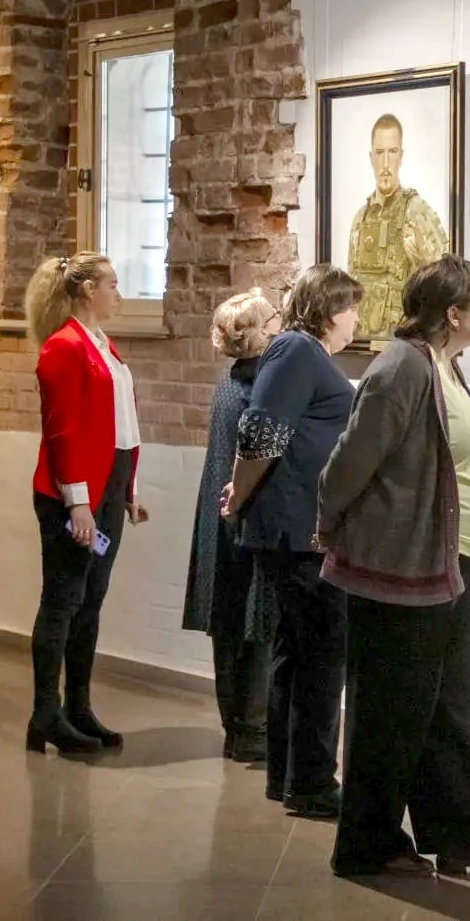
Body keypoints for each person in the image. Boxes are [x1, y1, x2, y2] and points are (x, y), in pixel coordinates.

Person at [318, 254, 470, 878]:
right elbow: (350, 461)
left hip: (449, 563)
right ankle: (366, 844)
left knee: (447, 705)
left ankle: (464, 834)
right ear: (453, 313)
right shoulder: (403, 367)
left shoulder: (443, 364)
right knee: (390, 710)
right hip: (404, 568)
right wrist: (327, 525)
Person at [220, 264, 360, 818]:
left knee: (299, 652)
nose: (356, 320)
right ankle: (311, 782)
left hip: (302, 527)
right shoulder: (296, 350)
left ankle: (290, 776)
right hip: (298, 531)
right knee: (320, 656)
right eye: (351, 308)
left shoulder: (303, 353)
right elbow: (261, 432)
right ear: (329, 310)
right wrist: (238, 494)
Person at [24, 251, 149, 756]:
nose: (119, 294)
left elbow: (121, 425)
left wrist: (128, 491)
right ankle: (44, 711)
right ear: (86, 291)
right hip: (72, 494)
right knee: (63, 601)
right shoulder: (63, 346)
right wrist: (78, 503)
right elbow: (62, 431)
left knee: (90, 602)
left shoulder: (103, 344)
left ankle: (78, 706)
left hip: (107, 489)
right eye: (112, 284)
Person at [182, 288, 281, 763]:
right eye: (272, 317)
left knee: (229, 620)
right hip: (243, 512)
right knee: (253, 621)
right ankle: (252, 730)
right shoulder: (260, 387)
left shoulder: (229, 382)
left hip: (219, 511)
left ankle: (237, 728)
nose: (280, 322)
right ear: (258, 332)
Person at [347, 112, 450, 340]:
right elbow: (350, 291)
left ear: (401, 156)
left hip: (403, 343)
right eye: (379, 152)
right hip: (361, 344)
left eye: (392, 152)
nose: (385, 164)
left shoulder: (416, 212)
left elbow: (447, 282)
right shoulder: (360, 219)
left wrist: (422, 263)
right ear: (371, 157)